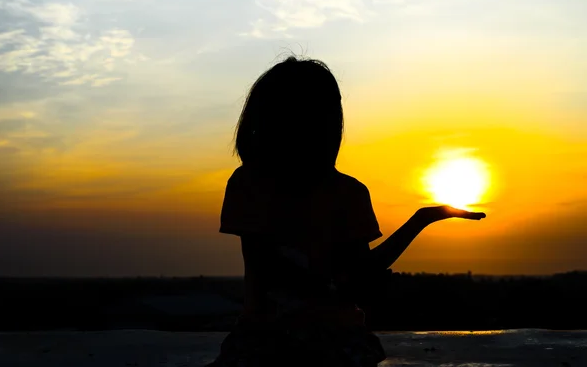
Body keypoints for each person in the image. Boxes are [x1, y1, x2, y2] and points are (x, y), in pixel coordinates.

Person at [208, 56, 486, 367]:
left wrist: (422, 219)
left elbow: (356, 269)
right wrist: (340, 282)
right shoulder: (253, 184)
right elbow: (273, 266)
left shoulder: (339, 192)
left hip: (308, 339)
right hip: (285, 339)